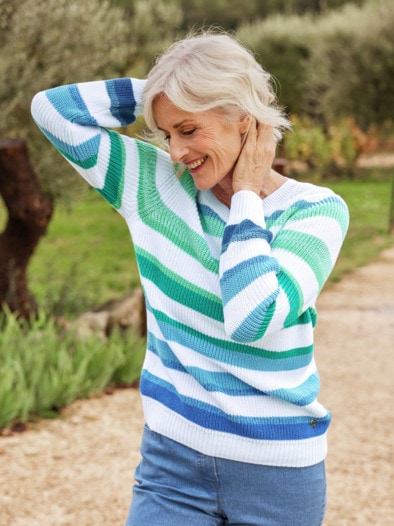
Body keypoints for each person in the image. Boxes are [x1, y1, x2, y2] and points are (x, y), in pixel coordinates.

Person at [31, 30, 349, 526]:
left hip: (277, 478)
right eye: (166, 133)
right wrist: (166, 88)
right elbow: (52, 110)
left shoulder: (316, 212)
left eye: (188, 129)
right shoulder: (151, 186)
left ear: (243, 121)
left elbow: (253, 316)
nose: (175, 151)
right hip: (171, 467)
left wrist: (245, 193)